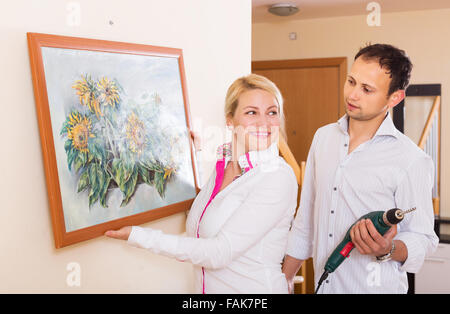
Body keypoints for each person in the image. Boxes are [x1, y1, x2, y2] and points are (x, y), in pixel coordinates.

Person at [105, 74, 298, 294]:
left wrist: (138, 235)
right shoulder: (224, 165)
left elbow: (219, 253)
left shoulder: (277, 177)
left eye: (272, 112)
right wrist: (188, 159)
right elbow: (204, 221)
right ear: (229, 120)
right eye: (251, 112)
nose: (264, 123)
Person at [282, 43, 439, 294]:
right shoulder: (323, 138)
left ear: (394, 98)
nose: (352, 95)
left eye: (367, 89)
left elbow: (424, 239)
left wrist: (387, 249)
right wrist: (284, 279)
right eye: (351, 81)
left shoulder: (411, 160)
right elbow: (306, 221)